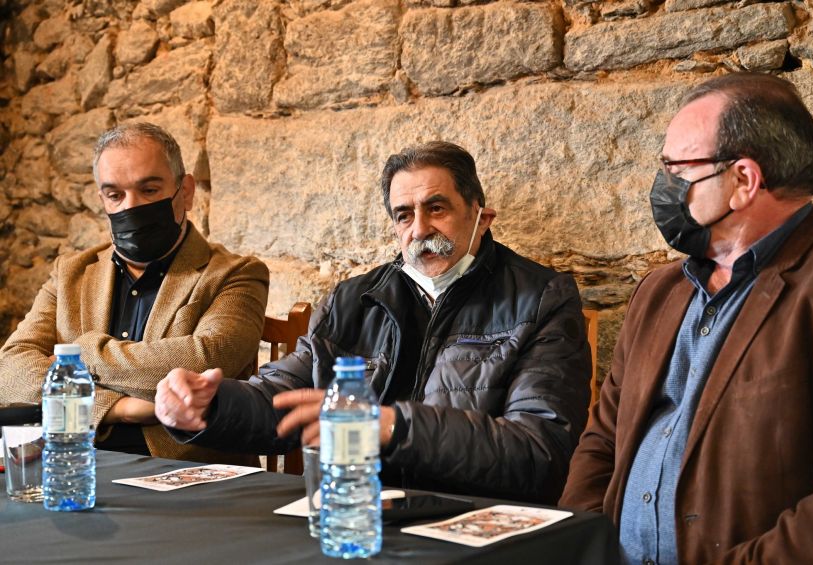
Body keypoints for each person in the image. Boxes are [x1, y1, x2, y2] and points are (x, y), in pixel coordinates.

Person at [155, 141, 591, 504]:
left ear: (481, 218)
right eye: (404, 215)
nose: (419, 229)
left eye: (437, 208)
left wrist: (394, 427)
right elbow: (288, 395)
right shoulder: (353, 300)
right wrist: (211, 405)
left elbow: (540, 452)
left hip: (471, 520)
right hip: (356, 510)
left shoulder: (541, 299)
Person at [560, 73, 813, 563]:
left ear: (743, 180)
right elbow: (603, 439)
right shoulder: (657, 292)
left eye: (678, 168)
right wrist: (585, 547)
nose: (664, 184)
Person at [0, 123, 269, 464]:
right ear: (102, 200)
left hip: (188, 470)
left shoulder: (236, 274)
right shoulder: (71, 273)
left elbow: (204, 360)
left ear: (185, 191)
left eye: (149, 189)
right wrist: (120, 408)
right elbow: (9, 371)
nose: (132, 206)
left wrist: (80, 356)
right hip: (78, 464)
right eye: (115, 195)